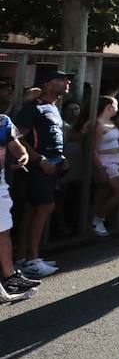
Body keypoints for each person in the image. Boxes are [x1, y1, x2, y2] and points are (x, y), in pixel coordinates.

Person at [13, 69, 74, 279]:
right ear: (47, 85)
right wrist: (39, 159)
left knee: (34, 210)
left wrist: (60, 157)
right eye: (61, 79)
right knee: (44, 207)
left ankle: (24, 257)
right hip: (38, 167)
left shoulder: (53, 107)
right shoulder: (34, 107)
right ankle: (32, 260)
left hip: (51, 165)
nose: (67, 82)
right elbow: (18, 137)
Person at [1, 112, 41, 302]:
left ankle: (10, 279)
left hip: (0, 186)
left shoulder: (2, 121)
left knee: (3, 231)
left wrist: (23, 156)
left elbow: (18, 148)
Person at [87, 96, 119, 237]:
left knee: (103, 192)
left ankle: (95, 221)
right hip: (106, 163)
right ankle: (99, 218)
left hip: (115, 161)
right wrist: (100, 168)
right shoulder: (99, 124)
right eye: (116, 104)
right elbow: (94, 149)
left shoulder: (111, 122)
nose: (118, 107)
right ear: (109, 106)